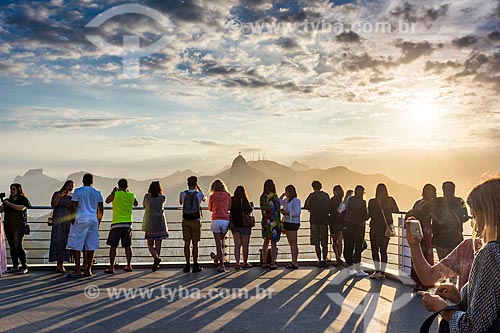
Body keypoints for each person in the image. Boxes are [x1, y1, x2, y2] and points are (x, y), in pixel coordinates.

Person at [418, 177, 500, 332]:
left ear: (489, 215)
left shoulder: (491, 253)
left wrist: (442, 308)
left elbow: (472, 327)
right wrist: (460, 298)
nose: (474, 224)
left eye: (475, 216)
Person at [67, 173, 103, 277]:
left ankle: (78, 270)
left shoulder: (78, 191)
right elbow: (100, 208)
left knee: (77, 245)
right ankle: (89, 270)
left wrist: (72, 219)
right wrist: (98, 220)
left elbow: (73, 206)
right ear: (92, 181)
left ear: (83, 181)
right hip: (93, 220)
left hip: (81, 219)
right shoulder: (97, 192)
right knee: (91, 245)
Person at [406, 183, 437, 291]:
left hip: (416, 232)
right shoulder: (428, 205)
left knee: (416, 256)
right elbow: (434, 218)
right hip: (426, 233)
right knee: (426, 257)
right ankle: (426, 283)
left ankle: (416, 282)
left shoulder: (418, 203)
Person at [104, 179, 138, 274]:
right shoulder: (131, 195)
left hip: (117, 223)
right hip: (127, 223)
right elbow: (136, 204)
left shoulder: (116, 194)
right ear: (127, 186)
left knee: (113, 246)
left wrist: (113, 192)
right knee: (127, 246)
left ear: (118, 186)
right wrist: (128, 193)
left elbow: (107, 201)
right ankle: (129, 265)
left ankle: (111, 267)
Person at [368, 183, 399, 280]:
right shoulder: (390, 200)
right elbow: (397, 210)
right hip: (386, 229)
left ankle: (377, 271)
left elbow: (370, 214)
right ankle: (383, 272)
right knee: (383, 251)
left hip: (375, 228)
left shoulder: (372, 201)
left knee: (374, 250)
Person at [433, 181, 469, 260]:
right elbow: (465, 217)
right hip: (446, 239)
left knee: (448, 264)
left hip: (451, 239)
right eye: (447, 189)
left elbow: (465, 217)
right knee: (449, 264)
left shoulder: (458, 201)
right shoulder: (458, 201)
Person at [0, 183, 31, 274]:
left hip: (19, 226)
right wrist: (3, 202)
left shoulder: (23, 199)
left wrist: (8, 204)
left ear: (18, 190)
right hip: (8, 225)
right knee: (12, 247)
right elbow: (0, 210)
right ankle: (15, 266)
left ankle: (24, 266)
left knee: (18, 245)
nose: (11, 191)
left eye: (13, 189)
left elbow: (21, 208)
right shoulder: (8, 200)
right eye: (11, 189)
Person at [179, 176, 206, 273]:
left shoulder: (183, 194)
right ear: (196, 184)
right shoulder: (199, 194)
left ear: (187, 183)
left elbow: (181, 203)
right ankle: (195, 264)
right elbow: (204, 199)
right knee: (195, 244)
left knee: (187, 243)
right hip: (196, 220)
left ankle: (187, 265)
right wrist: (198, 189)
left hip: (186, 220)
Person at [49, 180, 75, 273]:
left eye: (72, 186)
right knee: (58, 240)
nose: (71, 188)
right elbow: (53, 204)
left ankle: (63, 263)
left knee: (66, 241)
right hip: (58, 221)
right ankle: (59, 264)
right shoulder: (57, 193)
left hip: (68, 221)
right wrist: (61, 196)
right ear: (65, 185)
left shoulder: (72, 196)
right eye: (69, 185)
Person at [142, 181, 168, 272]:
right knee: (158, 243)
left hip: (149, 223)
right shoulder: (162, 198)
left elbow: (144, 205)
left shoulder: (147, 197)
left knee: (149, 244)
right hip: (160, 223)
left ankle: (156, 258)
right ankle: (156, 261)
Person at [304, 180, 331, 267]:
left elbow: (306, 205)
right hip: (324, 221)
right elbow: (330, 208)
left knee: (316, 242)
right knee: (324, 242)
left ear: (313, 187)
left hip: (314, 221)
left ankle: (319, 260)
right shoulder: (326, 196)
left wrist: (311, 209)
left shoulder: (312, 196)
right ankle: (324, 259)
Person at [344, 185, 369, 277]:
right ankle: (358, 270)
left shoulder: (350, 200)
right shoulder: (362, 202)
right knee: (358, 247)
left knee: (349, 246)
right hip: (359, 226)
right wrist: (369, 213)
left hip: (349, 226)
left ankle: (350, 268)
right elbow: (365, 216)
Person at [208, 179, 231, 273]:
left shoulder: (212, 196)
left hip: (216, 220)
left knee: (218, 244)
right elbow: (229, 207)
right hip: (225, 220)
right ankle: (217, 258)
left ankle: (221, 265)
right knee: (222, 243)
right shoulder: (228, 195)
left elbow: (210, 208)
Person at [229, 185, 253, 269]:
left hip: (235, 225)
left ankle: (237, 263)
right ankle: (245, 262)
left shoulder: (232, 200)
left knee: (237, 245)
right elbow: (250, 210)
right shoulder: (244, 200)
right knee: (245, 245)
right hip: (245, 226)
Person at [260, 179, 281, 270]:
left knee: (265, 241)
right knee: (273, 242)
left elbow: (262, 208)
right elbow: (278, 209)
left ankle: (264, 262)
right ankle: (272, 262)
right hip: (274, 222)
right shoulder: (275, 196)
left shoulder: (262, 197)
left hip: (265, 221)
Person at [280, 184, 301, 269]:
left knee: (293, 243)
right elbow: (278, 202)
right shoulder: (286, 200)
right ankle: (293, 261)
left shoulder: (296, 200)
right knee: (291, 243)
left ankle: (294, 262)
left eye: (287, 191)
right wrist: (282, 195)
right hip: (287, 222)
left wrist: (287, 213)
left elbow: (297, 212)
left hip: (292, 223)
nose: (286, 193)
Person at [329, 185, 345, 266]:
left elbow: (328, 210)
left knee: (334, 241)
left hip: (332, 222)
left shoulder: (332, 200)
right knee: (340, 241)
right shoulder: (342, 201)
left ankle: (337, 257)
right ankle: (339, 257)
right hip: (341, 222)